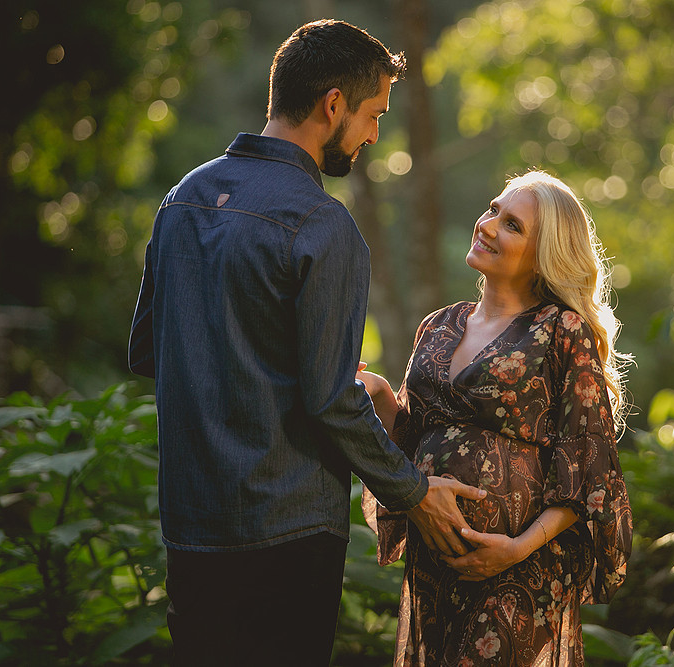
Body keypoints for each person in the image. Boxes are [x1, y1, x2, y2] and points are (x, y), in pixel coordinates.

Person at [128, 19, 485, 666]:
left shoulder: (182, 200)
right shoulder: (322, 224)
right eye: (373, 114)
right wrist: (413, 490)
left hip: (192, 527)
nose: (375, 134)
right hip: (287, 536)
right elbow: (329, 400)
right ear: (332, 105)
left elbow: (148, 352)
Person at [360, 170, 633, 666]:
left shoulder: (561, 331)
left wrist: (516, 547)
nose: (487, 225)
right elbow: (411, 440)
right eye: (492, 210)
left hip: (518, 572)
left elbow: (588, 470)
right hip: (434, 567)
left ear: (542, 255)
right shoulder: (439, 324)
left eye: (512, 225)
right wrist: (379, 395)